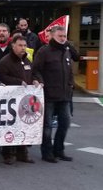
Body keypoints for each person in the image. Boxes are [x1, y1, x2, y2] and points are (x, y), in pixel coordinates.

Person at [32, 25, 78, 163]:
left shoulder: (67, 50)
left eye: (64, 36)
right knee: (47, 126)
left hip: (64, 95)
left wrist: (71, 85)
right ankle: (47, 152)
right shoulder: (44, 51)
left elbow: (75, 60)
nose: (63, 39)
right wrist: (40, 82)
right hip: (49, 94)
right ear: (52, 36)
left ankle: (59, 150)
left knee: (65, 123)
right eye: (60, 36)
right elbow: (36, 70)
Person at [0, 35, 38, 164]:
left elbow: (34, 73)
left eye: (25, 45)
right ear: (13, 45)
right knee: (10, 127)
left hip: (24, 101)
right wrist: (18, 82)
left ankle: (22, 152)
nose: (23, 48)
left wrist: (36, 80)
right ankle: (8, 154)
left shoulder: (27, 61)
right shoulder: (5, 61)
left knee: (23, 126)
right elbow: (1, 76)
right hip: (10, 101)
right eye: (20, 45)